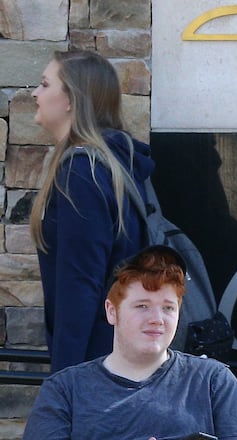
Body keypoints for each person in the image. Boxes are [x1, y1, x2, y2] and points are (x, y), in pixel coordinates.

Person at [23, 246, 237, 440]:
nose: (157, 319)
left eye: (168, 308)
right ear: (112, 311)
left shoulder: (213, 381)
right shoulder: (65, 391)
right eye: (142, 306)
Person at [29, 49, 154, 372]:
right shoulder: (117, 165)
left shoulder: (82, 174)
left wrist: (65, 385)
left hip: (97, 371)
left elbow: (80, 287)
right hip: (118, 363)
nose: (35, 93)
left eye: (45, 85)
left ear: (70, 99)